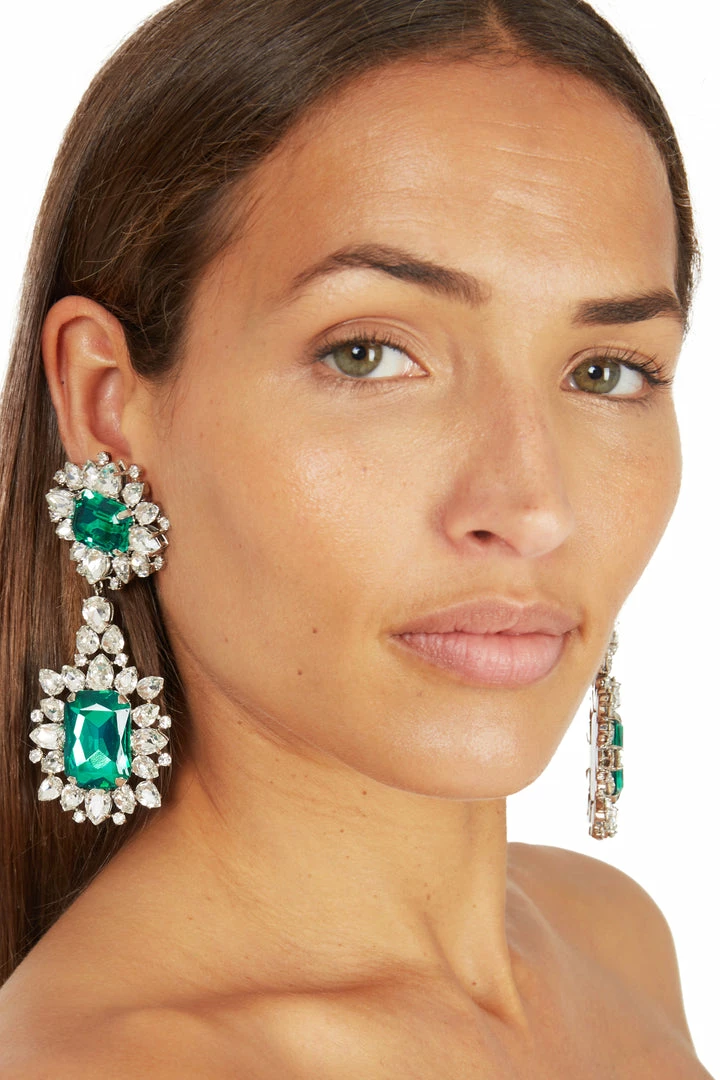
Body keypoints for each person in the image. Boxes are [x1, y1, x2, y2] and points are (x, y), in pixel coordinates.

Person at [0, 0, 713, 1075]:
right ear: (107, 404)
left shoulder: (615, 936)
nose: (533, 506)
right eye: (368, 354)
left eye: (606, 372)